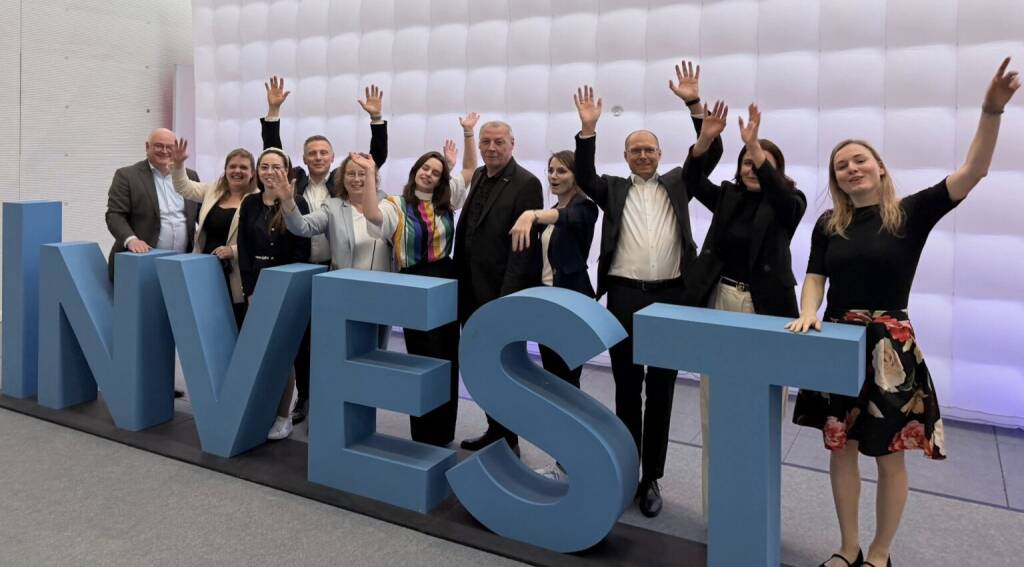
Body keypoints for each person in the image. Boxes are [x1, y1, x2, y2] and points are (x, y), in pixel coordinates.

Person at [786, 58, 1019, 567]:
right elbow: (815, 276)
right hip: (839, 340)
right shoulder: (828, 224)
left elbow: (973, 172)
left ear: (880, 168)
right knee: (841, 450)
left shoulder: (910, 213)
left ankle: (879, 553)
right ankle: (847, 548)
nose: (851, 168)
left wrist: (991, 111)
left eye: (860, 160)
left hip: (890, 345)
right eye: (841, 165)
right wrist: (808, 312)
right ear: (836, 179)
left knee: (889, 456)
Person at [572, 60, 722, 518]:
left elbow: (706, 157)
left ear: (659, 154)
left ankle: (651, 476)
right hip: (624, 296)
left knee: (661, 388)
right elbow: (584, 175)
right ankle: (625, 467)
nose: (642, 155)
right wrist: (588, 130)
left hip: (671, 296)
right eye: (635, 150)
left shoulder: (679, 183)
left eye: (649, 150)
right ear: (626, 156)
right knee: (626, 385)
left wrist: (695, 107)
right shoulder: (613, 189)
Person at [682, 102, 807, 521]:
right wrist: (703, 138)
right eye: (746, 162)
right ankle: (716, 514)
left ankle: (754, 515)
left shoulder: (790, 202)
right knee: (714, 410)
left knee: (761, 414)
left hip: (765, 310)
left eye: (760, 162)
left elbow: (782, 195)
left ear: (776, 170)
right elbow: (690, 180)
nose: (752, 168)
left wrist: (753, 144)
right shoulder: (728, 197)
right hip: (721, 302)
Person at [262, 76, 389, 425]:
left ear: (333, 158)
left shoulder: (342, 184)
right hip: (303, 266)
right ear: (303, 158)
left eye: (323, 153)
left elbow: (373, 162)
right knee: (304, 340)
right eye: (312, 153)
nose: (318, 157)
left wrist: (376, 120)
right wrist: (273, 113)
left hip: (336, 269)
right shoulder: (295, 180)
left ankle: (347, 401)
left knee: (347, 342)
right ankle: (305, 398)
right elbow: (273, 156)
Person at [359, 113, 479, 446]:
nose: (429, 174)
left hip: (446, 279)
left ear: (441, 180)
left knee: (447, 357)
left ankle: (444, 433)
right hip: (413, 283)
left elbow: (470, 170)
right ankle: (425, 434)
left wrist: (468, 133)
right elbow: (371, 214)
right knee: (422, 359)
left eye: (436, 172)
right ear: (415, 171)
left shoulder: (446, 201)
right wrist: (369, 174)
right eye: (425, 168)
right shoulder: (396, 205)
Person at [508, 149, 599, 480]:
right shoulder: (551, 211)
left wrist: (531, 214)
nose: (554, 176)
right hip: (548, 305)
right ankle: (567, 460)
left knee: (567, 389)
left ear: (576, 175)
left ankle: (570, 464)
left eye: (562, 171)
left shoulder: (584, 208)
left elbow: (569, 219)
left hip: (571, 306)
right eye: (551, 170)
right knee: (556, 386)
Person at [455, 120, 544, 455]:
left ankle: (509, 441)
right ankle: (495, 431)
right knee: (482, 367)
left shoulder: (527, 183)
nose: (491, 148)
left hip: (498, 296)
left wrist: (504, 301)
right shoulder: (479, 174)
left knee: (504, 370)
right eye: (486, 141)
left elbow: (522, 251)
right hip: (469, 290)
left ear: (512, 143)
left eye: (499, 142)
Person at [105, 127, 200, 398]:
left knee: (167, 328)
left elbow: (198, 214)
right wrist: (131, 239)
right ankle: (131, 386)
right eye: (158, 146)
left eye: (169, 146)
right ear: (147, 147)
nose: (164, 151)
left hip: (179, 267)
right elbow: (114, 215)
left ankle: (160, 384)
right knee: (138, 328)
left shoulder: (190, 176)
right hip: (141, 267)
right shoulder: (127, 175)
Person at [237, 148, 311, 441]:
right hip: (256, 286)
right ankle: (262, 410)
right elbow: (244, 250)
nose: (269, 172)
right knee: (259, 353)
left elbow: (302, 250)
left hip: (285, 287)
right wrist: (249, 290)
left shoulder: (297, 202)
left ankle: (283, 417)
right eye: (264, 166)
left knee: (283, 355)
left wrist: (286, 290)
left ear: (287, 170)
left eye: (276, 167)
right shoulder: (250, 202)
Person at [170, 140, 258, 327]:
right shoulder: (213, 189)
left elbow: (261, 239)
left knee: (233, 321)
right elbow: (183, 187)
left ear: (252, 173)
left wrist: (233, 250)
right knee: (207, 321)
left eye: (243, 167)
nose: (237, 171)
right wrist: (178, 165)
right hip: (206, 266)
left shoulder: (257, 199)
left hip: (236, 271)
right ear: (225, 170)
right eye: (232, 166)